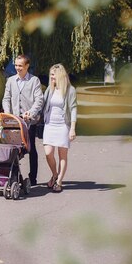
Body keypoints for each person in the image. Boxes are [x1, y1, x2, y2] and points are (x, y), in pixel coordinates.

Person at [2, 54, 43, 186]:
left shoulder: (34, 80)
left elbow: (39, 100)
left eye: (20, 65)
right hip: (14, 121)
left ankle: (33, 178)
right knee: (13, 149)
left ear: (27, 66)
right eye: (16, 65)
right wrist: (8, 114)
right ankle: (14, 176)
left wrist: (31, 113)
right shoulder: (10, 81)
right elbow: (6, 98)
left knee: (30, 148)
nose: (17, 68)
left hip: (29, 121)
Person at [41, 63, 77, 193]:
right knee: (48, 153)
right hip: (49, 125)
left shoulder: (70, 90)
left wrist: (72, 128)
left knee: (63, 155)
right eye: (50, 74)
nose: (51, 77)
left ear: (60, 76)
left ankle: (59, 181)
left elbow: (73, 109)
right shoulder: (50, 89)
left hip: (63, 126)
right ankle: (54, 174)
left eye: (53, 75)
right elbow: (41, 104)